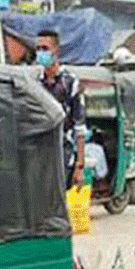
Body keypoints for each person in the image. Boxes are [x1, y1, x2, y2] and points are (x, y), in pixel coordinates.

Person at [35, 29, 86, 189]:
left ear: (56, 51)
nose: (40, 53)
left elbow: (80, 127)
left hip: (63, 153)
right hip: (37, 153)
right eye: (38, 49)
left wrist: (80, 166)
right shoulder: (33, 81)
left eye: (45, 49)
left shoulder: (70, 82)